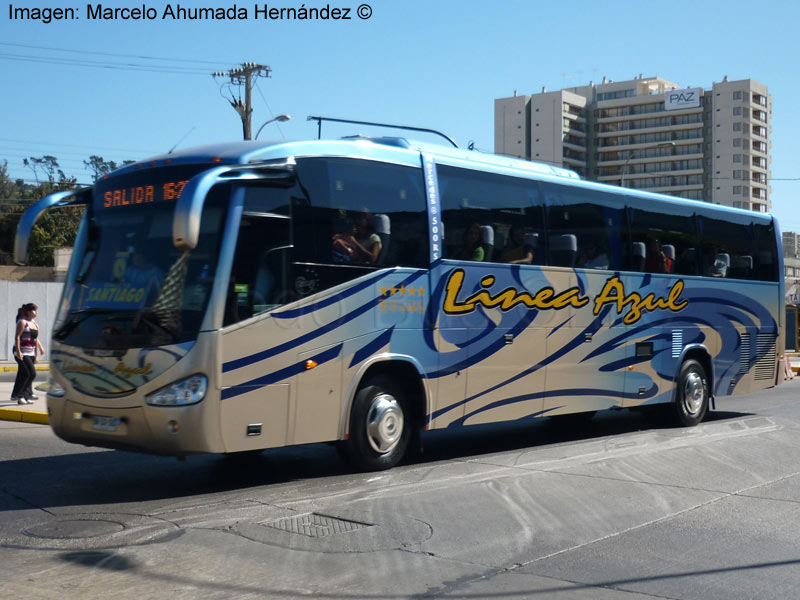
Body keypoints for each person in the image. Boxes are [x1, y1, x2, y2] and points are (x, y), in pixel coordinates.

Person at [11, 303, 44, 405]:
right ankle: (20, 396)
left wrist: (37, 354)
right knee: (29, 373)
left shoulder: (35, 324)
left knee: (25, 374)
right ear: (29, 312)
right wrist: (19, 352)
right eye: (34, 310)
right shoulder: (22, 322)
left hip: (31, 352)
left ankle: (25, 395)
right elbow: (17, 337)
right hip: (23, 352)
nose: (36, 312)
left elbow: (35, 339)